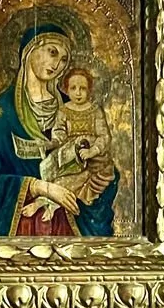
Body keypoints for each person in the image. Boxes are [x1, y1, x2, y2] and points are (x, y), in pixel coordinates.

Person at [0, 22, 118, 237]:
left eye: (64, 59)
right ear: (30, 50)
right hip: (23, 225)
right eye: (52, 53)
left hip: (70, 219)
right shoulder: (3, 110)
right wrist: (42, 188)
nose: (58, 65)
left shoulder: (72, 107)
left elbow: (99, 157)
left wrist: (103, 179)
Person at [31, 67, 116, 222]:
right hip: (69, 155)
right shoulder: (63, 110)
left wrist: (92, 151)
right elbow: (60, 134)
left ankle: (46, 204)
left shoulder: (95, 110)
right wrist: (51, 143)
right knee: (46, 167)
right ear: (66, 89)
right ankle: (45, 201)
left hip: (92, 161)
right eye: (73, 88)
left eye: (82, 88)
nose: (78, 93)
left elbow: (104, 136)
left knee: (64, 182)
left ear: (89, 90)